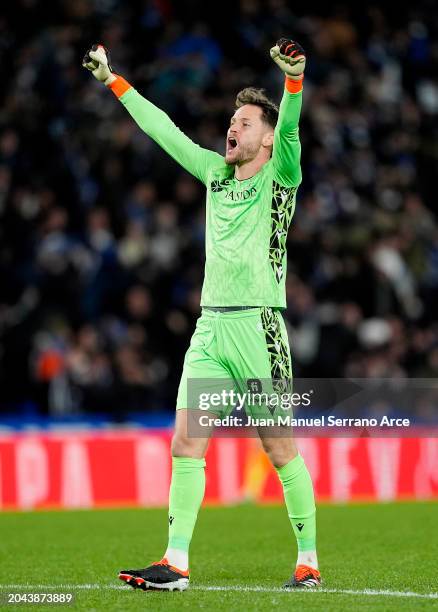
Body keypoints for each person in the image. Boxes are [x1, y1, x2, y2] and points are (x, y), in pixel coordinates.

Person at [82, 38, 321, 591]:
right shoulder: (215, 173)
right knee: (186, 442)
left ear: (264, 136)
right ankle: (175, 564)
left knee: (278, 447)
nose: (232, 128)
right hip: (211, 326)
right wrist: (114, 80)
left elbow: (289, 130)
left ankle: (307, 561)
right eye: (230, 120)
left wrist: (293, 82)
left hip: (259, 326)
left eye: (244, 121)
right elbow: (164, 131)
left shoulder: (279, 176)